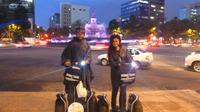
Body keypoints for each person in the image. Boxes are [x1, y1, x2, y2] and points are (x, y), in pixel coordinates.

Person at [61, 27, 93, 105]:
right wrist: (66, 61)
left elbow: (89, 55)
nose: (80, 35)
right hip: (72, 70)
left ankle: (82, 106)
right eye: (79, 33)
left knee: (82, 89)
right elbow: (65, 54)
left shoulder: (86, 43)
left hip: (83, 70)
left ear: (84, 34)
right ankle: (71, 106)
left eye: (82, 33)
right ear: (76, 34)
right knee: (71, 89)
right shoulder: (71, 43)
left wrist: (88, 60)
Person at [108, 34, 133, 112]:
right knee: (115, 90)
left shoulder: (124, 49)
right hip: (115, 74)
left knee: (123, 91)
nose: (115, 42)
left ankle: (122, 108)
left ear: (119, 41)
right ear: (111, 42)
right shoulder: (110, 51)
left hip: (124, 73)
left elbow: (129, 58)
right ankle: (114, 107)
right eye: (113, 41)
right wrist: (117, 64)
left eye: (116, 41)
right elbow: (111, 62)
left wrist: (130, 63)